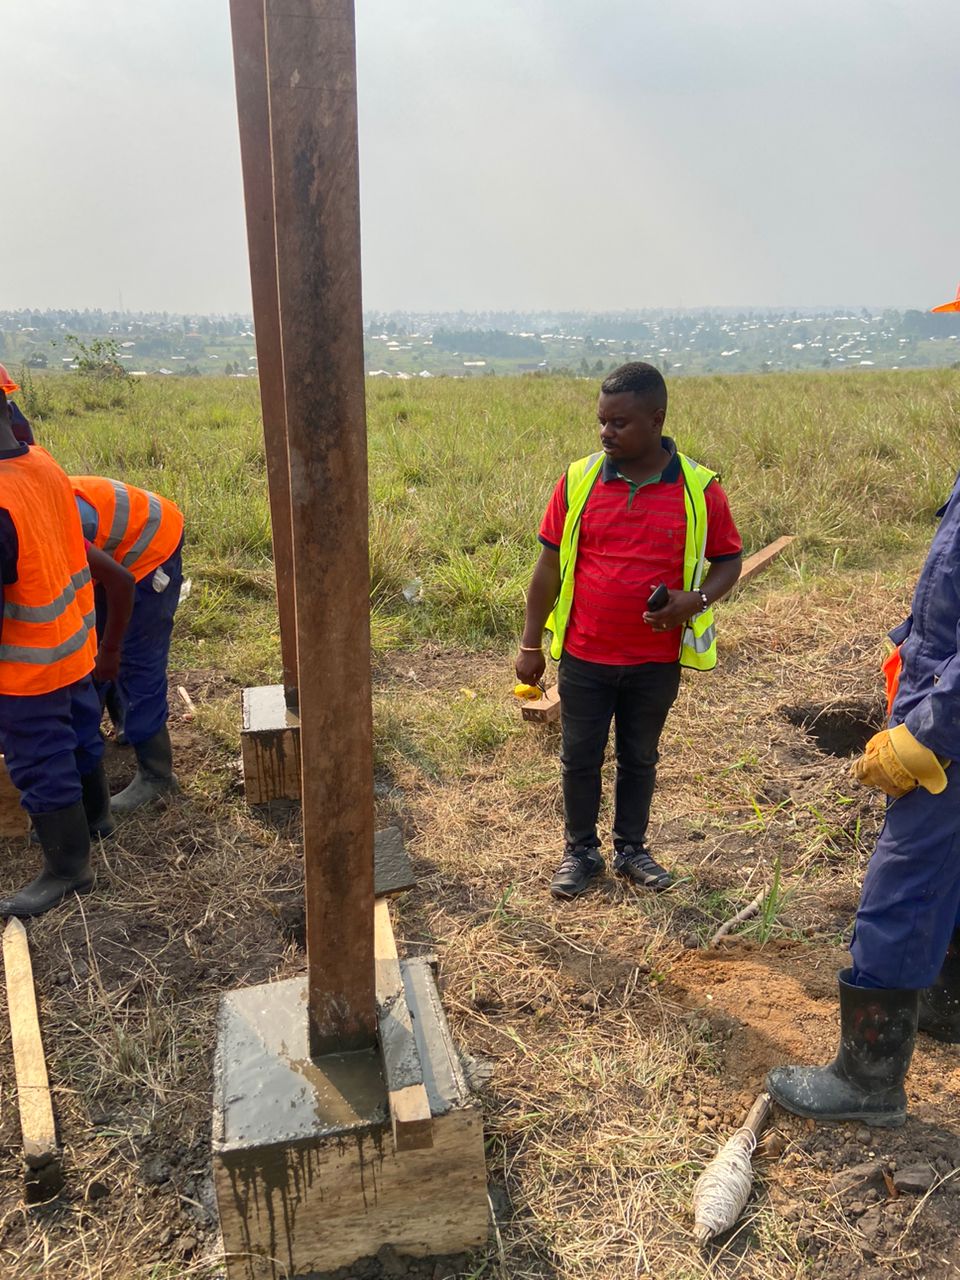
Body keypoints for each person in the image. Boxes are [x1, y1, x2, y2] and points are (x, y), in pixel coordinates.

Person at [767, 289, 960, 1128]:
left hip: (948, 734)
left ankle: (869, 1080)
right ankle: (945, 1003)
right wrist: (908, 641)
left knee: (904, 883)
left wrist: (926, 730)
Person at [515, 362, 742, 900]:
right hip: (585, 656)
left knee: (639, 756)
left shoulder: (698, 488)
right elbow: (548, 567)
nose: (605, 432)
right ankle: (579, 853)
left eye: (619, 422)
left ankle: (631, 850)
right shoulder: (579, 480)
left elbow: (728, 561)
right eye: (601, 421)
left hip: (654, 661)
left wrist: (697, 599)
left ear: (656, 418)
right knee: (579, 757)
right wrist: (530, 644)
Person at [0, 391, 129, 917]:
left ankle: (68, 868)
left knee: (41, 759)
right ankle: (96, 821)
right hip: (72, 643)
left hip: (26, 666)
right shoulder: (41, 464)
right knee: (80, 735)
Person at [71, 475, 185, 813]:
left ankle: (157, 775)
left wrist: (110, 650)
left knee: (137, 659)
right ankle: (121, 721)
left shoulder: (53, 527)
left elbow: (121, 582)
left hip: (150, 544)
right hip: (109, 548)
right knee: (95, 636)